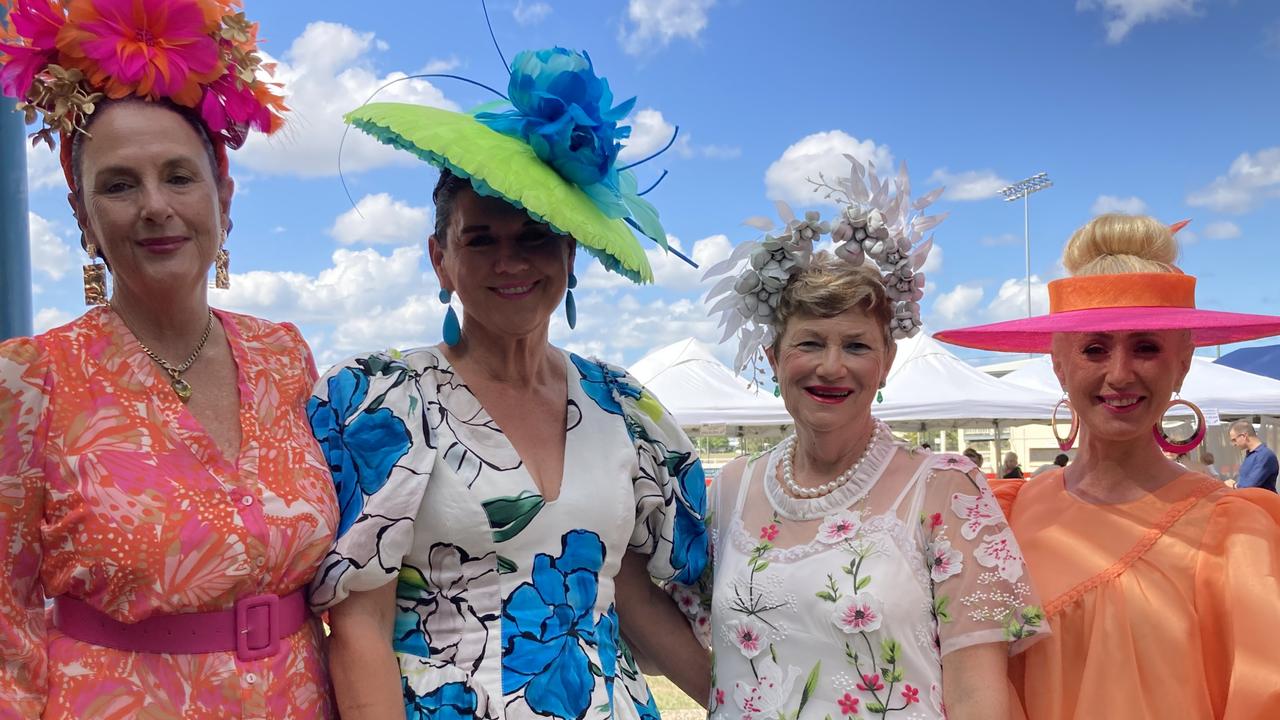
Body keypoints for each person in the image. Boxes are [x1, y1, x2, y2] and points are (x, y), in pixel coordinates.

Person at [309, 44, 709, 719]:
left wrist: (750, 704)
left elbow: (632, 600)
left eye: (534, 238)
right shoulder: (382, 402)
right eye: (481, 239)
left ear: (570, 253)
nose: (509, 261)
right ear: (440, 259)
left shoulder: (621, 406)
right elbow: (359, 632)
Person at [0, 2, 338, 717]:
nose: (155, 206)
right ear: (82, 214)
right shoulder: (30, 378)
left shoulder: (284, 355)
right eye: (120, 185)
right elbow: (7, 615)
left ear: (224, 197)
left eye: (179, 177)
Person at [686, 158, 1045, 720]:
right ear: (774, 358)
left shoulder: (947, 490)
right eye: (809, 343)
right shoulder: (731, 488)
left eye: (855, 346)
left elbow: (979, 692)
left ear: (886, 362)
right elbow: (689, 645)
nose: (831, 367)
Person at [936, 213, 1280, 718]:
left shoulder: (1237, 533)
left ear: (1182, 362)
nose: (1119, 374)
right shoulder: (999, 519)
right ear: (1058, 362)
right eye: (1094, 348)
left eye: (1146, 347)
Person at [1229, 419, 1278, 492]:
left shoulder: (1265, 455)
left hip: (1262, 502)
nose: (1234, 444)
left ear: (1244, 436)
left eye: (1234, 440)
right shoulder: (1251, 454)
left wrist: (1233, 485)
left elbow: (1250, 485)